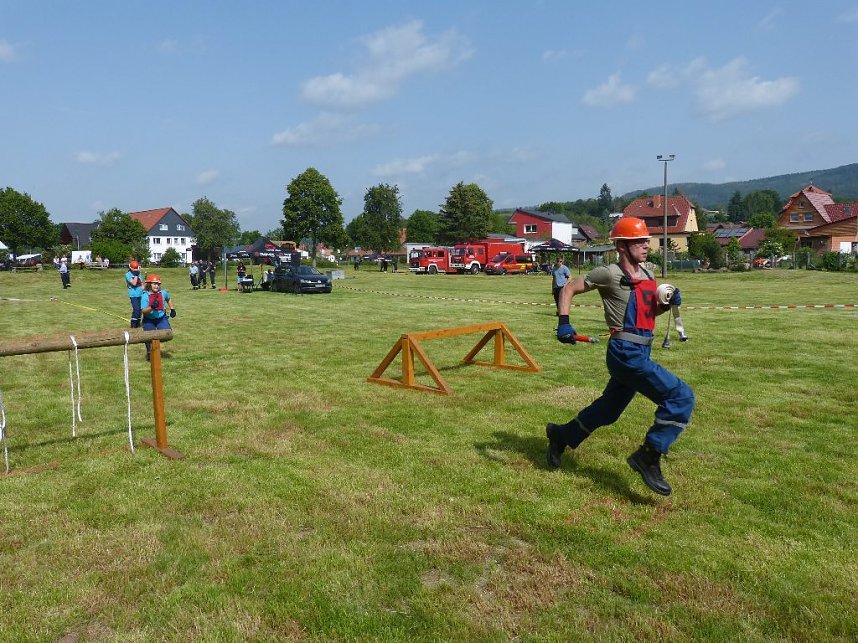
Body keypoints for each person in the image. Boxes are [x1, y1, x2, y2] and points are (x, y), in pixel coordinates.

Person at [545, 217, 694, 496]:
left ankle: (560, 435)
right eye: (639, 241)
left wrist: (667, 304)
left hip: (642, 348)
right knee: (680, 396)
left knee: (608, 411)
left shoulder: (648, 275)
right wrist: (564, 322)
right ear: (622, 246)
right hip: (625, 352)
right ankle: (648, 455)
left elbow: (648, 314)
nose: (646, 245)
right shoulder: (609, 273)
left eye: (646, 240)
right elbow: (569, 288)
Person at [140, 274, 176, 360]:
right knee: (148, 336)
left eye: (158, 284)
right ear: (149, 284)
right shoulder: (145, 296)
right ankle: (149, 352)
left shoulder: (163, 293)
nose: (157, 286)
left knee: (167, 334)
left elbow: (168, 299)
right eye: (154, 284)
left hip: (161, 318)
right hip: (149, 319)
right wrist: (152, 307)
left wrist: (172, 309)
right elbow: (143, 311)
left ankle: (155, 345)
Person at [125, 260, 144, 327]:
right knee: (136, 309)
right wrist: (136, 275)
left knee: (141, 309)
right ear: (130, 268)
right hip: (133, 295)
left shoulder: (139, 274)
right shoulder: (128, 275)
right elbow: (134, 283)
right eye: (134, 268)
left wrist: (145, 291)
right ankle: (133, 325)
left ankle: (138, 323)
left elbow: (141, 284)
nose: (136, 270)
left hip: (140, 294)